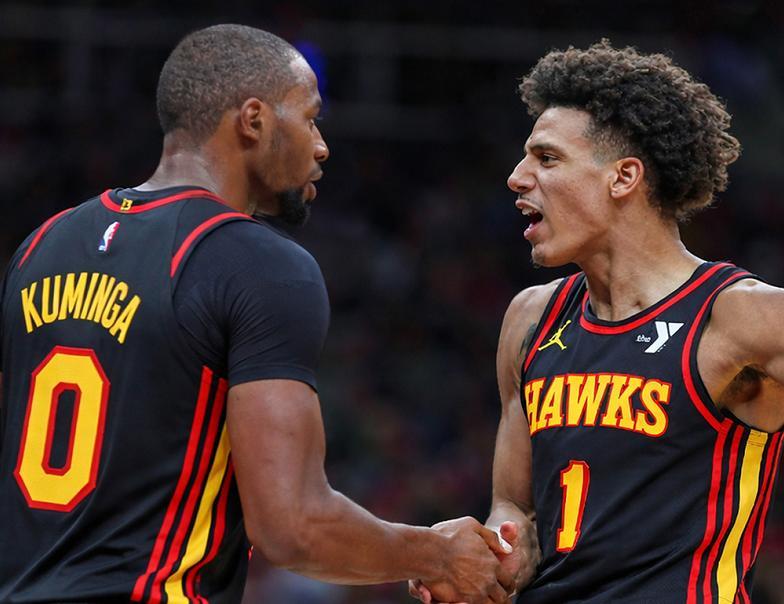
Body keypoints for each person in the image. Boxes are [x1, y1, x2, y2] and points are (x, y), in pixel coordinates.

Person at [0, 24, 516, 603]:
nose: (321, 146)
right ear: (254, 120)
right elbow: (293, 528)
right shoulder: (257, 262)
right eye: (310, 118)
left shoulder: (40, 245)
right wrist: (437, 554)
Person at [413, 40, 784, 603]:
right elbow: (516, 508)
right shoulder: (531, 317)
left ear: (623, 177)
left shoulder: (743, 316)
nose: (517, 177)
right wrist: (488, 556)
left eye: (547, 158)